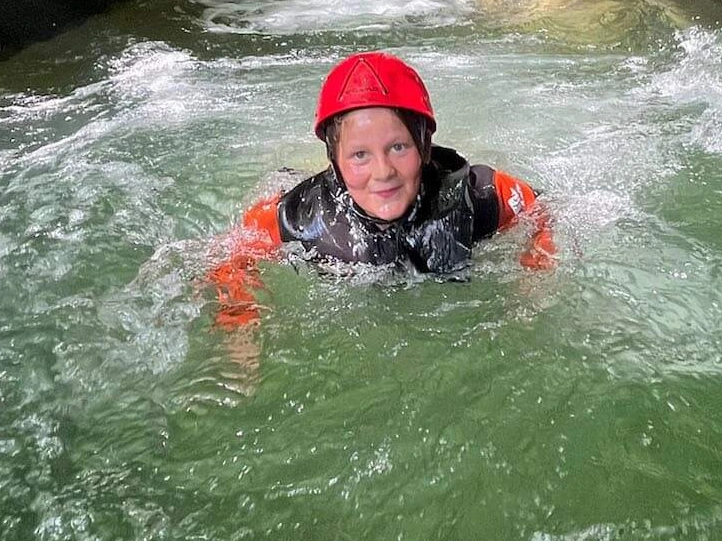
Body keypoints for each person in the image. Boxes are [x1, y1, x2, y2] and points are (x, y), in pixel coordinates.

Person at [209, 50, 555, 333]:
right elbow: (230, 257)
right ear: (335, 161)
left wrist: (535, 268)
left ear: (424, 146)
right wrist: (239, 314)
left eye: (399, 148)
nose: (383, 172)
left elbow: (542, 210)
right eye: (360, 155)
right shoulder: (300, 216)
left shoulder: (477, 195)